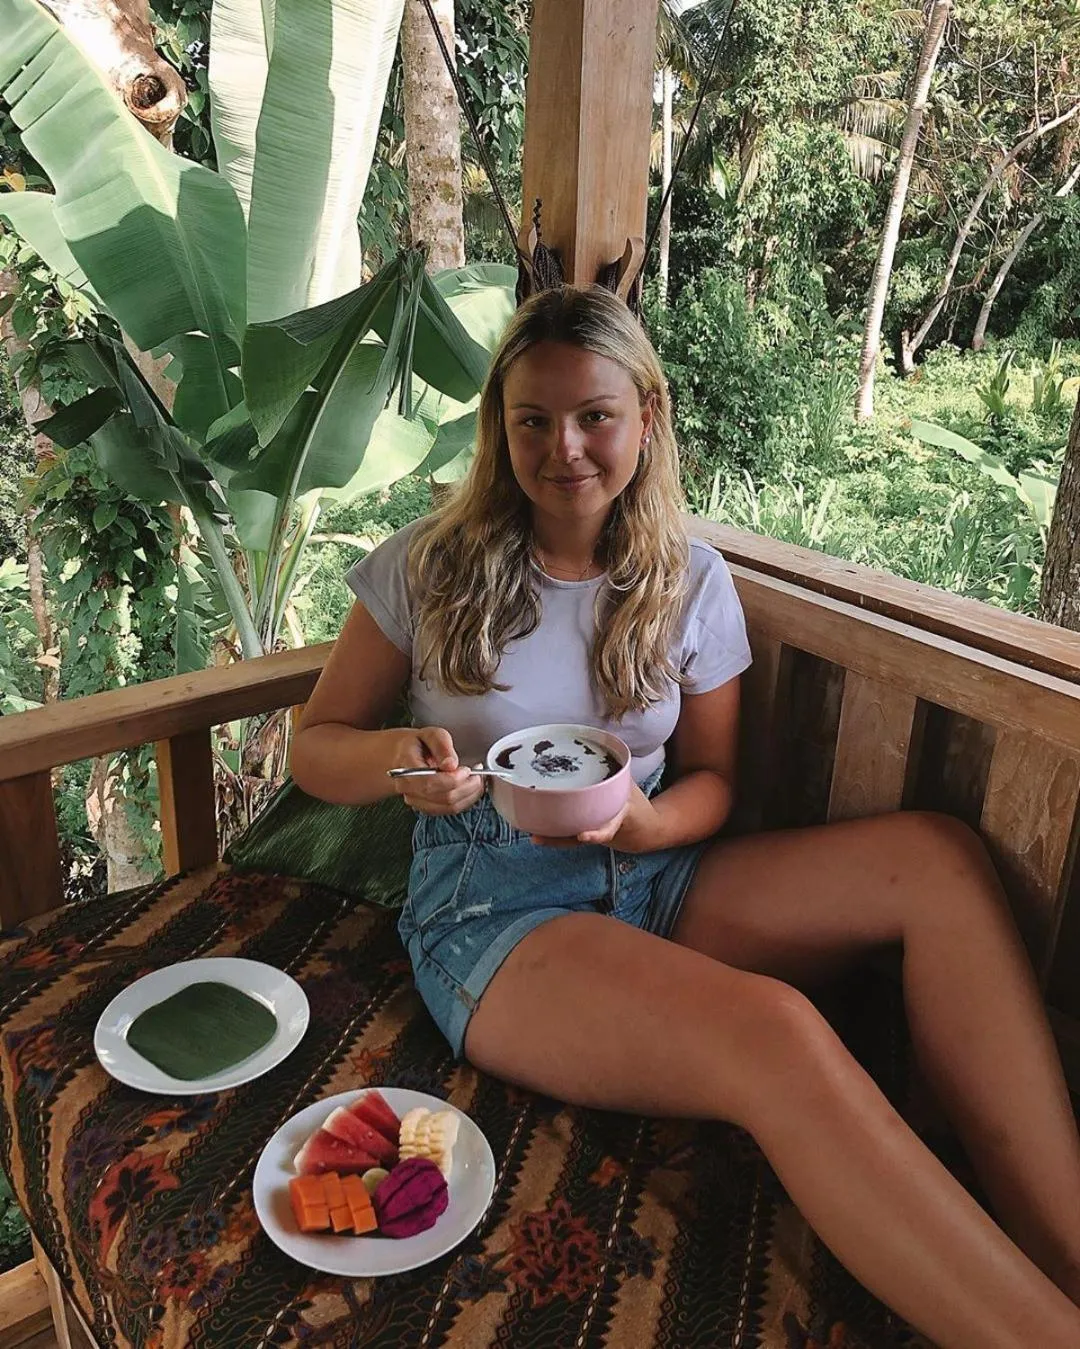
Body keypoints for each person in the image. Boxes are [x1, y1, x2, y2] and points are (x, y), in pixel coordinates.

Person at [291, 284, 1080, 1347]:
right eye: (533, 419)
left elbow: (710, 779)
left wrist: (646, 828)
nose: (565, 448)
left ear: (646, 415)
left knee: (935, 858)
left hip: (654, 869)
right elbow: (313, 746)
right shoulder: (426, 565)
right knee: (776, 1032)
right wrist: (401, 765)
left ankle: (1063, 1255)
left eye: (595, 415)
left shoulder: (690, 580)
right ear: (500, 428)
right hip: (495, 908)